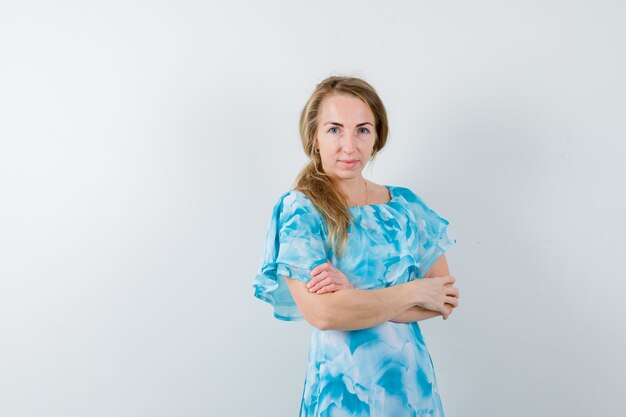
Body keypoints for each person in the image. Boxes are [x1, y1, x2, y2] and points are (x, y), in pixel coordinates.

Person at [252, 75, 459, 417]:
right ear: (315, 137)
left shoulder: (405, 205)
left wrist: (355, 297)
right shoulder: (299, 210)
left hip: (411, 390)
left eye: (362, 130)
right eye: (334, 129)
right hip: (341, 393)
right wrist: (415, 290)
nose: (349, 146)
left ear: (377, 137)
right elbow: (324, 313)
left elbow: (444, 298)